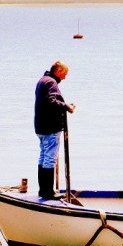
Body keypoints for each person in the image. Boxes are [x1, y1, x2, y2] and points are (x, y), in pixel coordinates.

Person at [34, 61, 76, 199]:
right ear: (58, 71)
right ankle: (48, 192)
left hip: (41, 126)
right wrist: (67, 107)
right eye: (64, 74)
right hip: (50, 127)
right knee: (50, 158)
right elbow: (51, 101)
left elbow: (47, 100)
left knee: (44, 156)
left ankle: (43, 190)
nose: (65, 77)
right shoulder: (51, 82)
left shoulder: (42, 81)